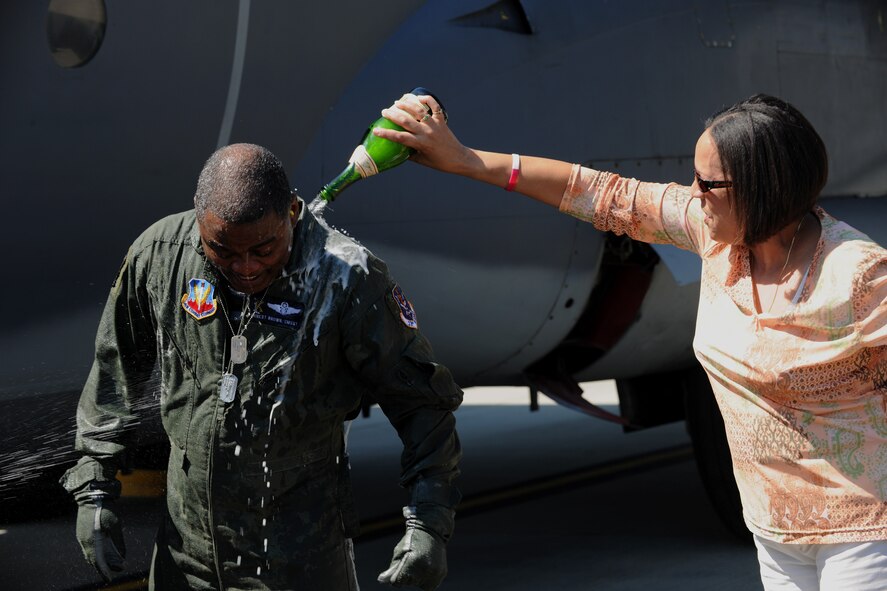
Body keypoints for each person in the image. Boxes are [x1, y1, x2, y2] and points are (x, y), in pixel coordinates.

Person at [375, 93, 887, 590]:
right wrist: (466, 161)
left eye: (708, 183)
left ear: (764, 188)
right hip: (774, 531)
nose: (693, 193)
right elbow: (599, 192)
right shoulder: (717, 239)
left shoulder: (858, 275)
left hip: (862, 534)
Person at [60, 143, 463, 590]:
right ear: (199, 218)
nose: (247, 267)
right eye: (223, 250)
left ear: (291, 211)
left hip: (297, 558)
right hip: (185, 554)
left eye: (264, 248)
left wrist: (429, 521)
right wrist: (94, 485)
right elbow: (116, 369)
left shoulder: (346, 278)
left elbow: (422, 404)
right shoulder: (161, 255)